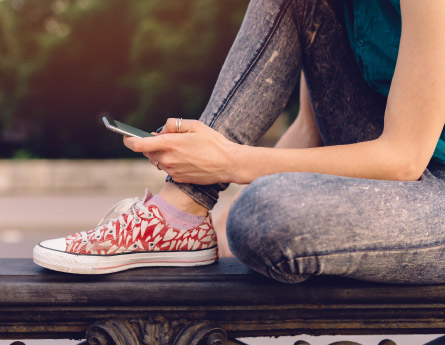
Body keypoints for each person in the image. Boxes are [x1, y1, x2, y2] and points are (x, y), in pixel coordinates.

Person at [33, 0, 445, 284]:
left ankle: (179, 214)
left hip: (432, 196)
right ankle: (178, 212)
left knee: (263, 214)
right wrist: (211, 204)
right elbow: (309, 129)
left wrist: (229, 162)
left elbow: (403, 158)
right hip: (393, 178)